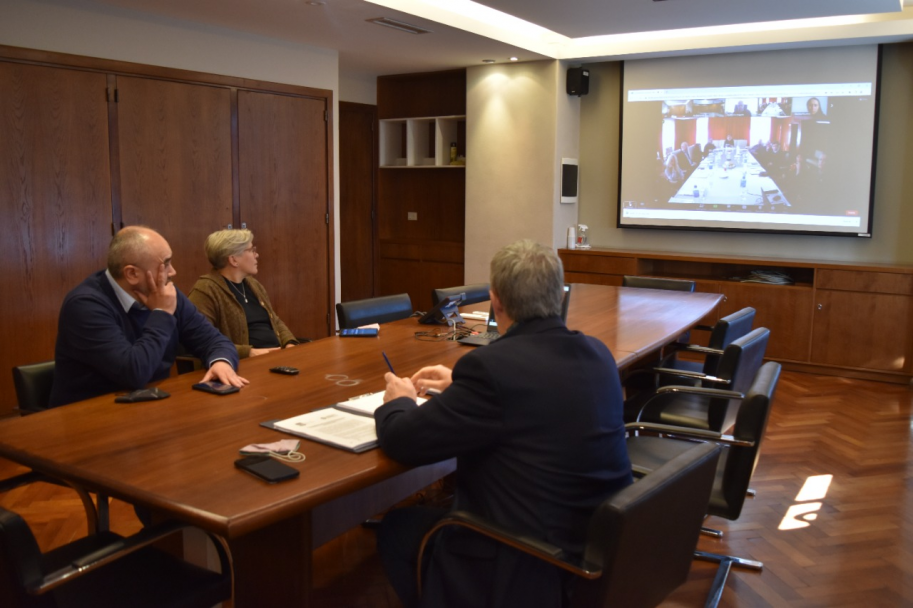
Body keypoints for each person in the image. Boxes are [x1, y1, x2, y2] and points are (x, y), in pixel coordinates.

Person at [374, 240, 632, 608]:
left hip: (529, 561)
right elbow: (536, 394)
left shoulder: (493, 368)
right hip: (594, 545)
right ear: (560, 296)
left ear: (496, 301)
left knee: (397, 530)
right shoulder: (597, 353)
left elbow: (403, 440)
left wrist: (399, 399)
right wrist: (460, 387)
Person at [49, 226, 247, 407]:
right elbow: (134, 373)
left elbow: (214, 340)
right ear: (132, 274)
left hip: (150, 408)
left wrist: (221, 362)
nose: (173, 271)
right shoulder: (85, 306)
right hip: (91, 418)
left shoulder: (167, 294)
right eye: (166, 264)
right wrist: (161, 313)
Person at [189, 229, 301, 358]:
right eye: (251, 250)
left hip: (275, 357)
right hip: (240, 365)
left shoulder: (253, 284)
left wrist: (290, 344)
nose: (257, 254)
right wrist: (249, 352)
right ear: (233, 259)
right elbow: (201, 339)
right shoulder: (206, 290)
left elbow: (274, 320)